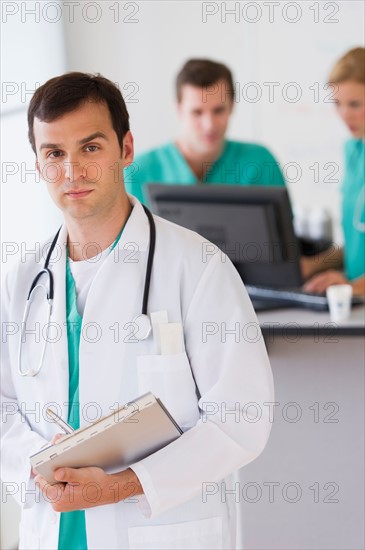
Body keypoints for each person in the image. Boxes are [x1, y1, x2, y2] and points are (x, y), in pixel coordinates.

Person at [1, 72, 274, 550]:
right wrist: (36, 466)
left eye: (90, 148)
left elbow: (241, 418)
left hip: (163, 531)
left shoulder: (199, 267)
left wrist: (122, 484)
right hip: (53, 529)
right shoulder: (20, 279)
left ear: (126, 149)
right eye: (54, 154)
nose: (72, 172)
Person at [125, 59, 285, 204]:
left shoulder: (260, 162)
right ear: (179, 110)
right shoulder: (138, 172)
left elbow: (283, 233)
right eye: (197, 112)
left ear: (232, 106)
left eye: (218, 110)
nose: (209, 125)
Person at [302, 47, 365, 295]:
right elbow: (357, 243)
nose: (344, 114)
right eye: (337, 103)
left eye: (355, 104)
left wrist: (355, 287)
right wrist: (310, 266)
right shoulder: (354, 150)